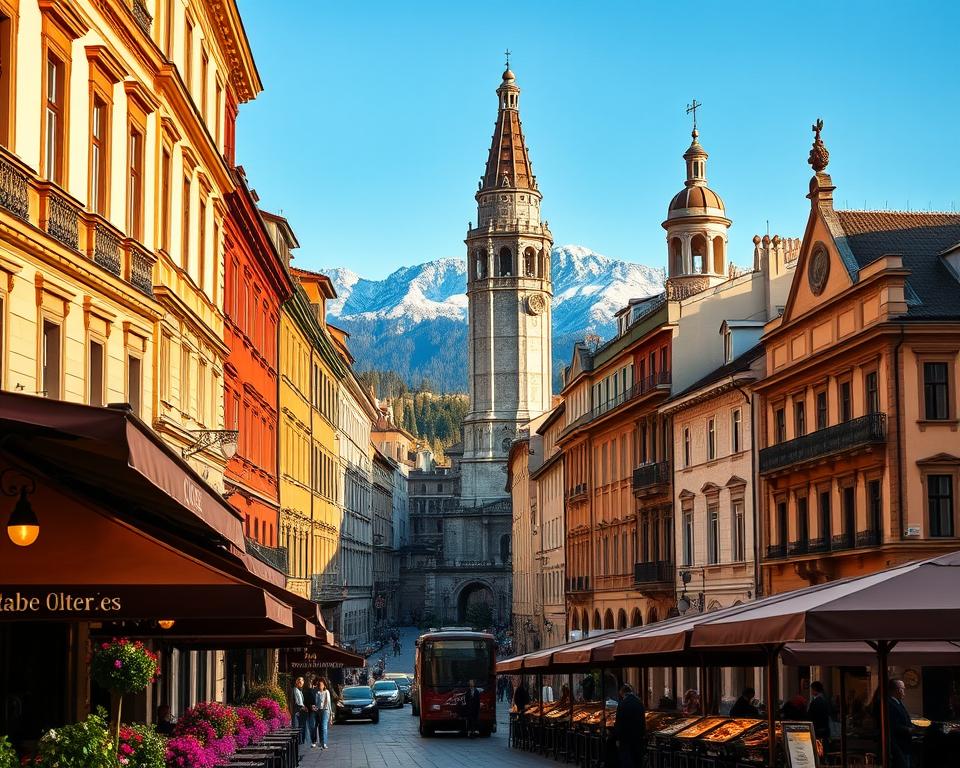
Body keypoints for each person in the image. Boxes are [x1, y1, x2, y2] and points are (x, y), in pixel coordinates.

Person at [613, 684, 646, 768]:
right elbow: (643, 720)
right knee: (637, 759)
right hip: (638, 736)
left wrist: (617, 737)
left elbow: (619, 721)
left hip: (625, 737)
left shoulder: (623, 703)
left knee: (626, 759)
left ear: (622, 693)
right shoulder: (639, 702)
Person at [888, 679, 913, 768]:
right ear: (897, 690)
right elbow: (893, 724)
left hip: (904, 745)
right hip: (898, 745)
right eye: (903, 689)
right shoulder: (890, 703)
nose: (904, 692)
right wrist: (909, 730)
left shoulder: (897, 702)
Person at [315, 678, 332, 750]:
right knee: (320, 727)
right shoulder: (317, 693)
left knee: (324, 726)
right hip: (318, 711)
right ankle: (321, 742)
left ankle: (324, 743)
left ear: (324, 685)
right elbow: (316, 703)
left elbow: (328, 703)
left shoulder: (326, 692)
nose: (320, 686)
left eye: (321, 685)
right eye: (319, 685)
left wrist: (331, 715)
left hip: (325, 710)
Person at [304, 676, 319, 748]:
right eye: (309, 681)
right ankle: (313, 741)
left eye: (311, 681)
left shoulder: (316, 690)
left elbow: (319, 700)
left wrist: (316, 706)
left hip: (317, 710)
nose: (310, 682)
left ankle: (315, 740)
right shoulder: (306, 691)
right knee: (312, 726)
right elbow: (305, 701)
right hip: (311, 711)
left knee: (315, 726)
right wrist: (310, 706)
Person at [292, 676, 308, 745]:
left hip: (301, 711)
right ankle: (298, 742)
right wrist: (303, 707)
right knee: (297, 727)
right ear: (297, 682)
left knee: (300, 727)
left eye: (302, 682)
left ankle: (300, 741)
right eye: (299, 681)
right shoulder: (295, 690)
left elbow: (301, 702)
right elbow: (297, 702)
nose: (301, 683)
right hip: (297, 711)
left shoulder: (300, 690)